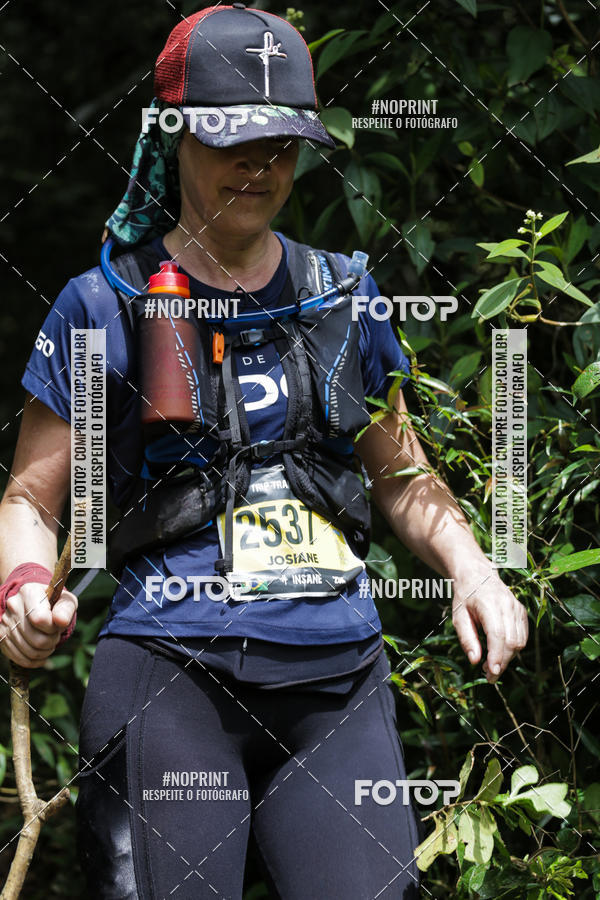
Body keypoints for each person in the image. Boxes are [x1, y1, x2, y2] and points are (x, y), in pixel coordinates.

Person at [0, 5, 528, 898]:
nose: (261, 165)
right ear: (175, 136)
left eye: (282, 144)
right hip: (172, 672)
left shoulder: (343, 292)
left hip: (339, 679)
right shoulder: (101, 305)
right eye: (234, 141)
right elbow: (29, 501)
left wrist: (475, 571)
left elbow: (403, 477)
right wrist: (22, 590)